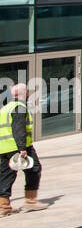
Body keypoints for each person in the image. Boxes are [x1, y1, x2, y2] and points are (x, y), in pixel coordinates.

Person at [0, 84, 48, 215]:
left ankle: (3, 206)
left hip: (3, 147)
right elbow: (18, 129)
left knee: (6, 175)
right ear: (26, 93)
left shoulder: (6, 108)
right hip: (17, 146)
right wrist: (22, 148)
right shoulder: (19, 108)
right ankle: (30, 201)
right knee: (34, 169)